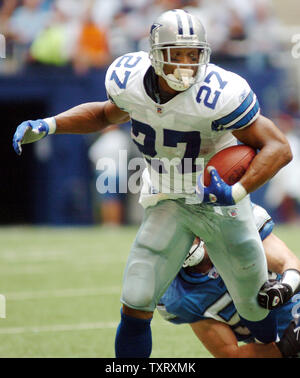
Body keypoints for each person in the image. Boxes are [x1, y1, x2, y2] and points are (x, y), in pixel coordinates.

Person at [12, 9, 297, 357]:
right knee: (136, 298)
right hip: (167, 198)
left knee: (255, 307)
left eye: (193, 56)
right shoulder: (128, 79)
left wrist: (236, 191)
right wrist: (50, 124)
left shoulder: (220, 92)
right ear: (156, 54)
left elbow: (279, 148)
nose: (186, 65)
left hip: (219, 202)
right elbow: (104, 114)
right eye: (177, 55)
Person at [158, 203, 300, 358]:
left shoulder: (233, 222)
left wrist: (285, 288)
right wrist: (289, 344)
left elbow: (290, 264)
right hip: (277, 346)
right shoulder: (178, 296)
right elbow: (231, 355)